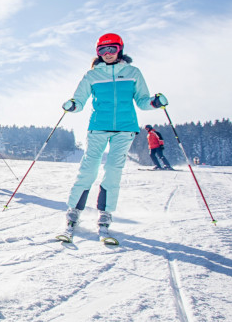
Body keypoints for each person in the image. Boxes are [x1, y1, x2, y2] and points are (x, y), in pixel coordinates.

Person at [59, 33, 168, 242]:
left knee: (113, 170)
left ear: (120, 50)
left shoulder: (133, 72)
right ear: (97, 53)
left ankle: (105, 213)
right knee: (88, 168)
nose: (107, 54)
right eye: (102, 50)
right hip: (98, 126)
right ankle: (74, 211)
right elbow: (79, 100)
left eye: (112, 49)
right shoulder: (92, 75)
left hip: (125, 128)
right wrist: (73, 105)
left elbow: (143, 101)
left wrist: (155, 102)